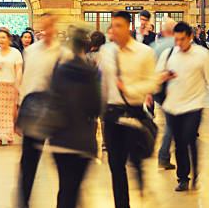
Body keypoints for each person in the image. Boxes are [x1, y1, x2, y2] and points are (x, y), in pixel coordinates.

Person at [99, 11, 160, 208]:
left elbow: (153, 83)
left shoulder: (144, 52)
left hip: (133, 111)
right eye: (112, 25)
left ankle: (141, 183)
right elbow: (104, 84)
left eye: (119, 25)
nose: (114, 30)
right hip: (111, 114)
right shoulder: (106, 52)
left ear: (128, 27)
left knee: (135, 159)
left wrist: (130, 89)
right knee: (116, 166)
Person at [157, 22, 209, 191]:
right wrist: (164, 77)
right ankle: (183, 178)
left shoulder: (201, 55)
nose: (179, 43)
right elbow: (156, 77)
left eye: (182, 39)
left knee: (189, 139)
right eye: (176, 39)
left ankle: (195, 172)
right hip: (172, 106)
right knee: (179, 143)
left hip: (194, 105)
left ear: (190, 37)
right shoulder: (168, 54)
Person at [17, 14, 71, 207]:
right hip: (33, 110)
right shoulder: (30, 52)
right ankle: (23, 201)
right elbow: (26, 82)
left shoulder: (64, 53)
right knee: (28, 162)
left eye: (50, 27)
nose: (46, 31)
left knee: (63, 162)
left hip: (58, 111)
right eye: (43, 27)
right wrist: (19, 110)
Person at [48, 25, 101, 208]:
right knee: (75, 187)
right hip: (82, 141)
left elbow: (52, 100)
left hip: (60, 139)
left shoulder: (59, 70)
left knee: (65, 187)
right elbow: (96, 107)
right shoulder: (91, 72)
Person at [150, 17, 177, 170]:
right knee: (172, 123)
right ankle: (164, 156)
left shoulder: (154, 46)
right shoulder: (178, 45)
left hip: (158, 90)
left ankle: (164, 155)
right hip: (172, 89)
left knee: (172, 121)